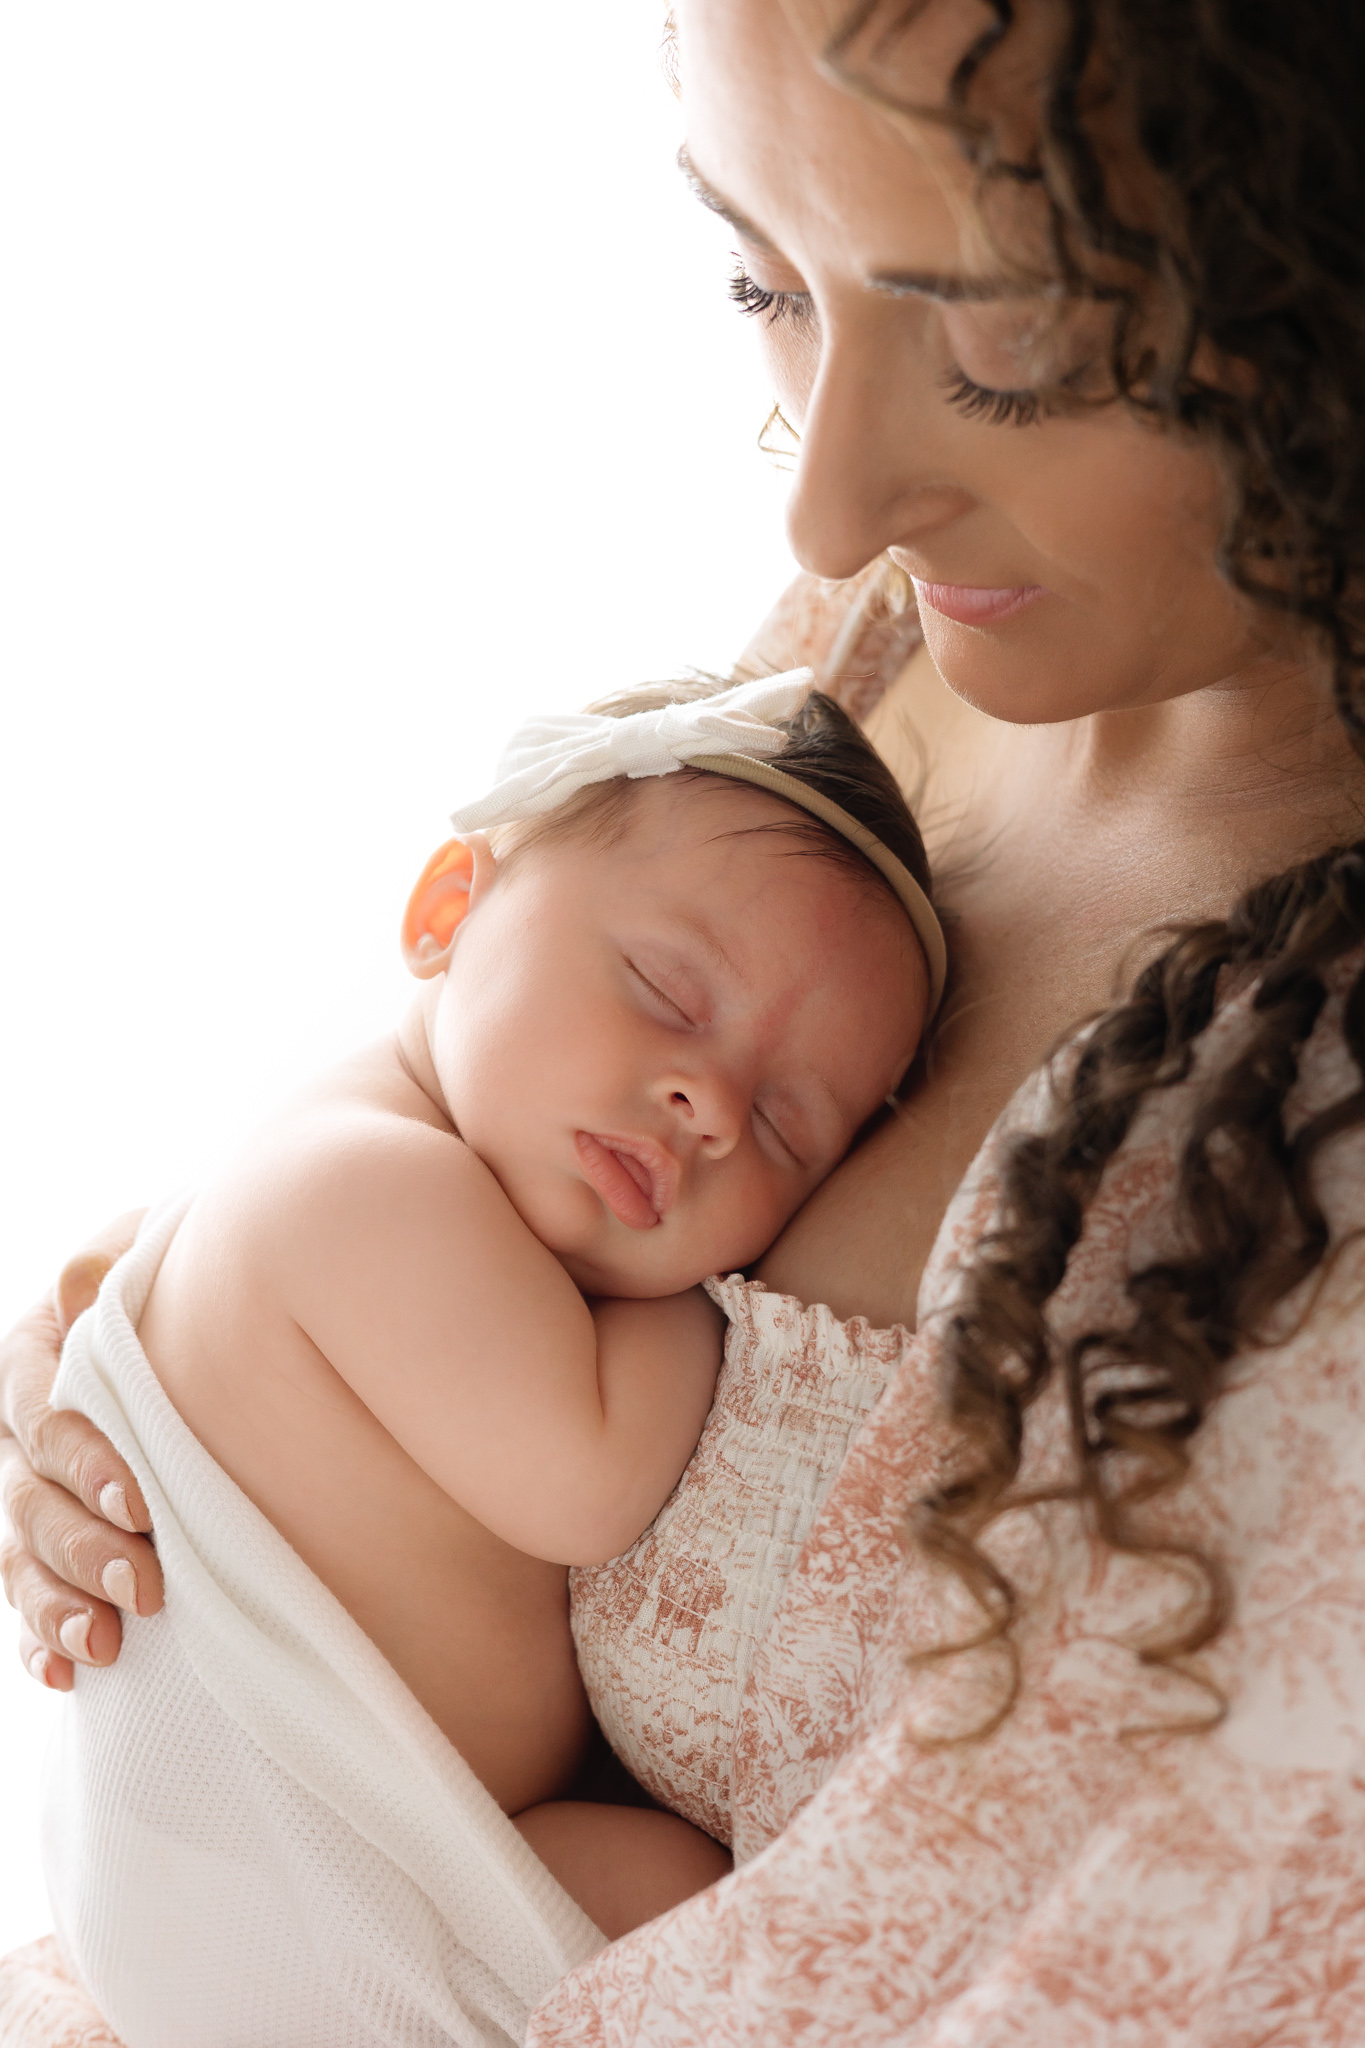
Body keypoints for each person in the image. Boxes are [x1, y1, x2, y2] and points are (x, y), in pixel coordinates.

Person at [6, 0, 1365, 2039]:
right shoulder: (885, 655)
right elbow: (444, 1081)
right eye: (763, 276)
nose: (825, 510)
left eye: (1003, 342)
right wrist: (123, 1369)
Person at [36, 675, 937, 2048]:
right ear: (446, 911)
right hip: (288, 1899)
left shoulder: (387, 1164)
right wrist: (700, 1297)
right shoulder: (363, 1184)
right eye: (662, 989)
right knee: (668, 1905)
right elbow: (588, 1482)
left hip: (239, 1886)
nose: (706, 1104)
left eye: (788, 1130)